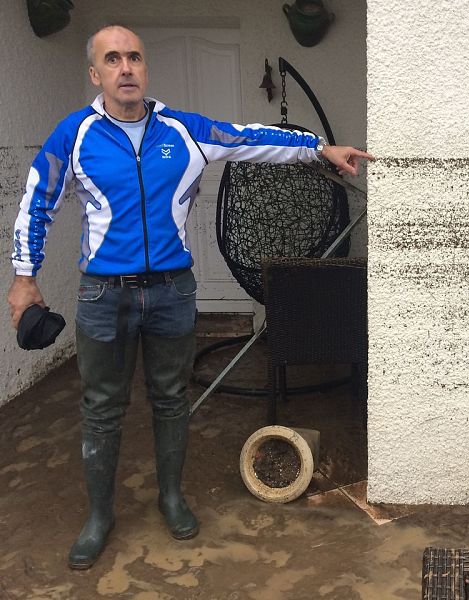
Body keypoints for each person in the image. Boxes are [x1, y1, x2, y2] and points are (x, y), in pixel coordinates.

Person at [7, 24, 373, 570]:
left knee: (171, 399)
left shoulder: (183, 129)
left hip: (172, 292)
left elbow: (250, 137)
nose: (126, 67)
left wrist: (319, 149)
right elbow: (39, 200)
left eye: (134, 57)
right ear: (96, 74)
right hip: (103, 294)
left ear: (144, 67)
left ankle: (172, 498)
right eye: (113, 59)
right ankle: (99, 516)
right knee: (102, 407)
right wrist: (23, 275)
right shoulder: (75, 134)